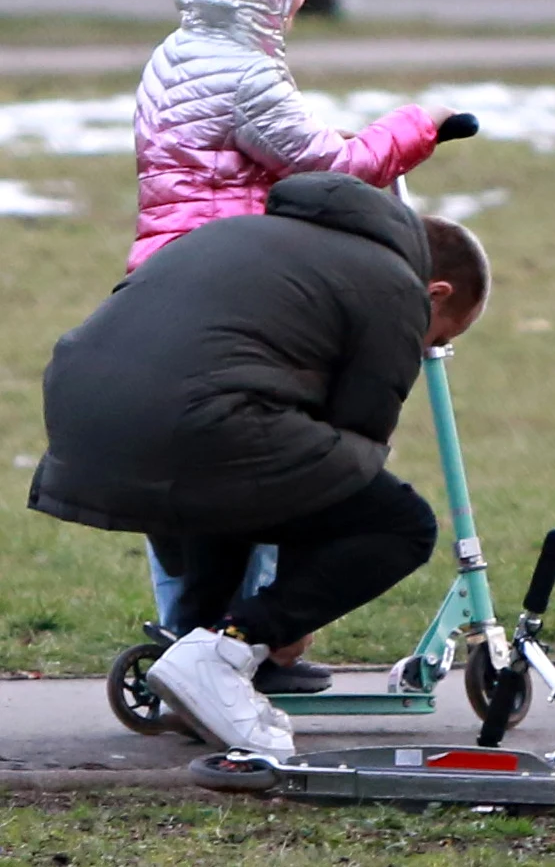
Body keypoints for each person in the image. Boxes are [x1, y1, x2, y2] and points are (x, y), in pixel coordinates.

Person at [29, 172, 490, 759]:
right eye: (437, 338)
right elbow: (351, 447)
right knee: (399, 525)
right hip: (194, 425)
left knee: (238, 476)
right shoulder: (394, 285)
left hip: (85, 418)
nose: (424, 350)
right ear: (438, 294)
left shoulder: (247, 232)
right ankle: (228, 652)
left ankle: (191, 654)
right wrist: (287, 615)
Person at [128, 0, 456, 686]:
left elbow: (255, 157)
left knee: (218, 492)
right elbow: (331, 167)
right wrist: (415, 129)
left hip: (161, 276)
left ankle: (201, 638)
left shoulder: (173, 56)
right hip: (234, 285)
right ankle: (245, 643)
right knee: (283, 469)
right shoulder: (244, 74)